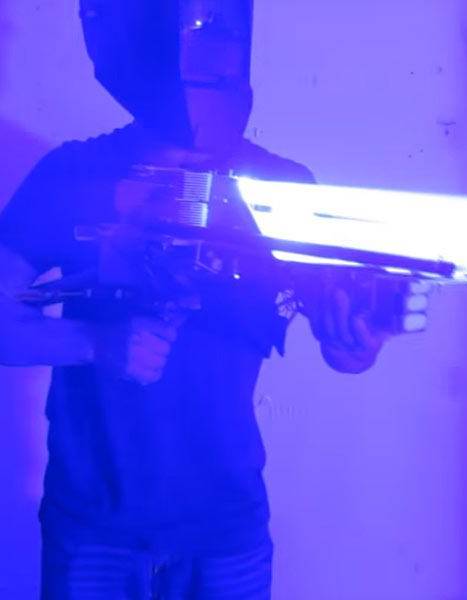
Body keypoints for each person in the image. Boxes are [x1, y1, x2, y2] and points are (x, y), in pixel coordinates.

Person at [0, 1, 407, 597]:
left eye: (220, 25)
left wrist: (361, 333)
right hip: (96, 527)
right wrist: (94, 342)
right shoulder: (75, 174)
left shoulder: (282, 191)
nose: (207, 43)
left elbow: (344, 346)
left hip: (224, 526)